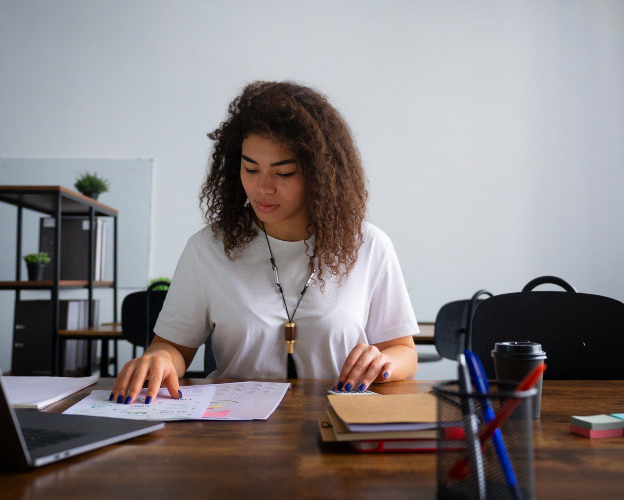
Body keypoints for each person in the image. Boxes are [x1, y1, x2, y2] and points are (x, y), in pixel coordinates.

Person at [111, 81, 418, 405]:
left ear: (321, 174)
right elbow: (173, 347)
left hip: (334, 422)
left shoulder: (367, 245)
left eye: (283, 173)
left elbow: (404, 353)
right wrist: (159, 358)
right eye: (250, 168)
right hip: (234, 430)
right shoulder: (209, 248)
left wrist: (385, 364)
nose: (262, 188)